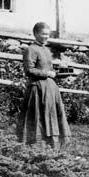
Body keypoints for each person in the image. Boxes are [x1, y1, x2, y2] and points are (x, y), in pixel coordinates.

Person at [18, 21, 70, 149]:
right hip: (38, 88)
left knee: (52, 113)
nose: (46, 37)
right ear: (35, 34)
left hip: (50, 88)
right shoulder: (31, 49)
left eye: (48, 34)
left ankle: (52, 143)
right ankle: (36, 143)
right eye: (43, 34)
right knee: (38, 115)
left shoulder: (46, 49)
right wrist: (46, 73)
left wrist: (58, 72)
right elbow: (29, 70)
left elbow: (48, 68)